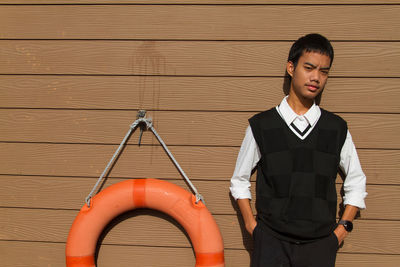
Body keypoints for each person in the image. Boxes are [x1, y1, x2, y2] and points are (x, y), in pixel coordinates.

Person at [230, 33, 367, 267]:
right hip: (271, 244)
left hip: (320, 245)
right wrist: (252, 227)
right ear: (291, 68)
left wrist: (341, 230)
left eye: (324, 72)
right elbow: (239, 180)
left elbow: (356, 181)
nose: (316, 77)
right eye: (309, 68)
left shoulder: (336, 129)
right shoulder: (262, 126)